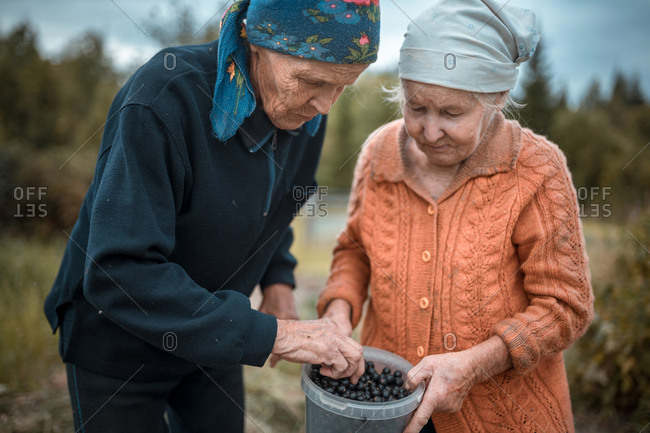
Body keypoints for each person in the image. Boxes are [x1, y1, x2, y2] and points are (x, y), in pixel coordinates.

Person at [44, 0, 380, 431]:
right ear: (256, 42)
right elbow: (118, 271)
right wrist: (278, 335)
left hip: (214, 334)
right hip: (117, 343)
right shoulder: (163, 99)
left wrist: (277, 280)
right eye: (313, 81)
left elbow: (276, 206)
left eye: (344, 86)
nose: (326, 106)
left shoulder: (305, 112)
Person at [317, 1, 593, 432]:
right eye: (416, 107)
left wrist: (476, 363)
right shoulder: (379, 152)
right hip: (388, 405)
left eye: (451, 113)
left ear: (497, 98)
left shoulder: (537, 169)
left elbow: (565, 307)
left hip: (504, 418)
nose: (429, 131)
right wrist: (338, 312)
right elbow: (354, 250)